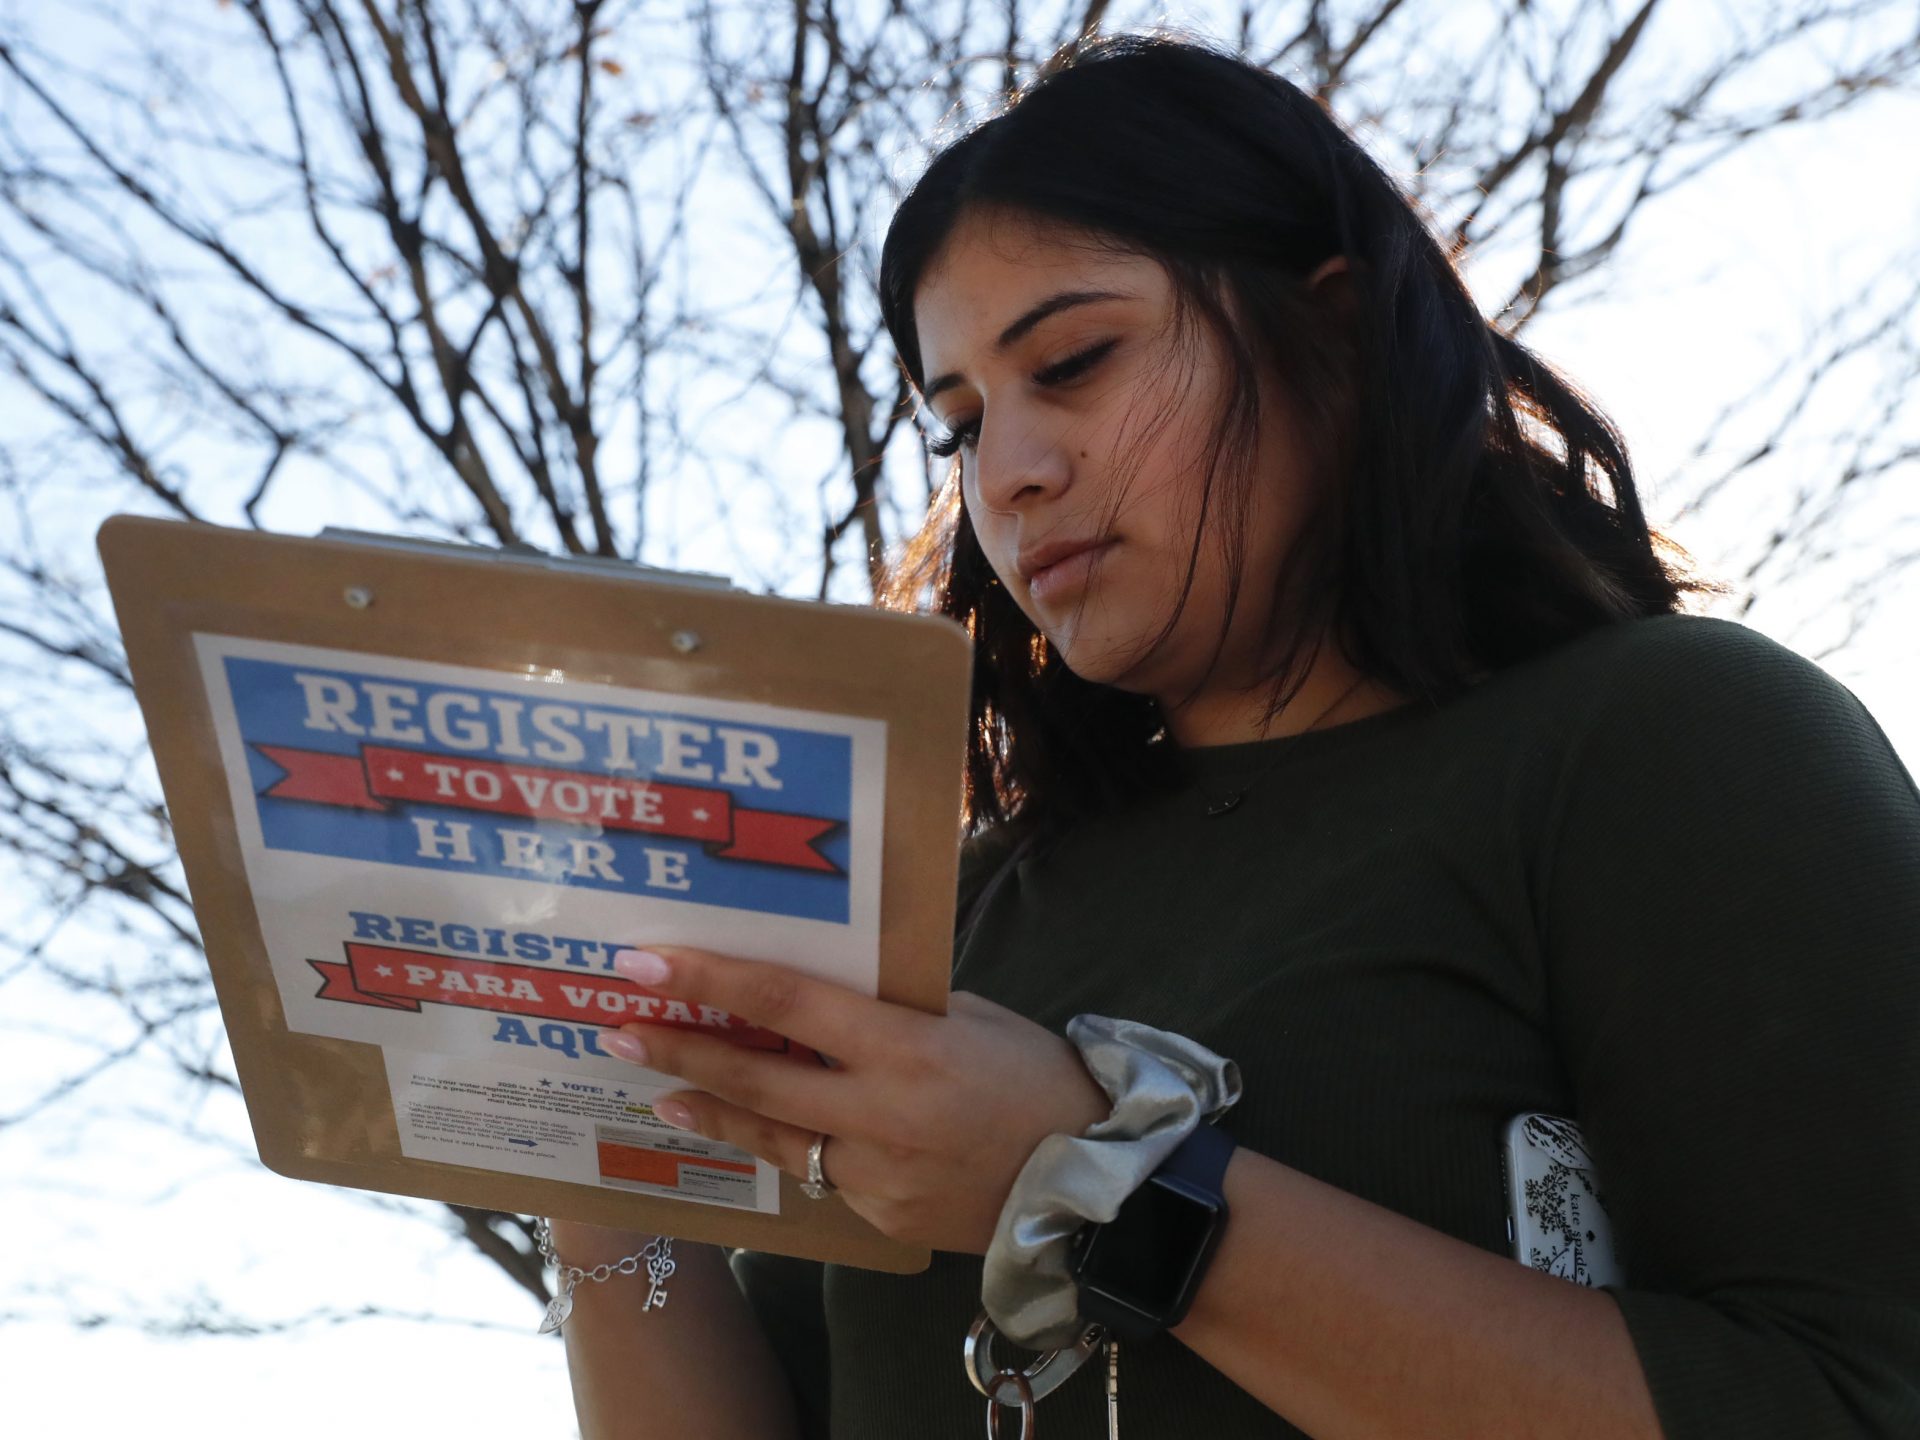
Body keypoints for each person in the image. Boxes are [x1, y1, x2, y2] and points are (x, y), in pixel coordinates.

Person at [549, 32, 1920, 1440]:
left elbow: (1852, 1393)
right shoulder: (956, 910)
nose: (1009, 473)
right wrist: (583, 1170)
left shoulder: (1673, 745)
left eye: (1073, 361)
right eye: (960, 423)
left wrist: (1092, 1179)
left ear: (1329, 333)